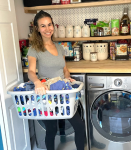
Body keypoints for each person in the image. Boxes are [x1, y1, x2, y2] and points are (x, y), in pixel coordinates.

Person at [27, 10, 85, 150]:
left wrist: (67, 77)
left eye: (50, 24)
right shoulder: (34, 49)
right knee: (52, 129)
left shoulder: (60, 47)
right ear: (37, 28)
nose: (48, 29)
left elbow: (64, 69)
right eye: (43, 26)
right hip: (48, 95)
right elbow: (30, 71)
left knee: (79, 125)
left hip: (63, 93)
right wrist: (37, 83)